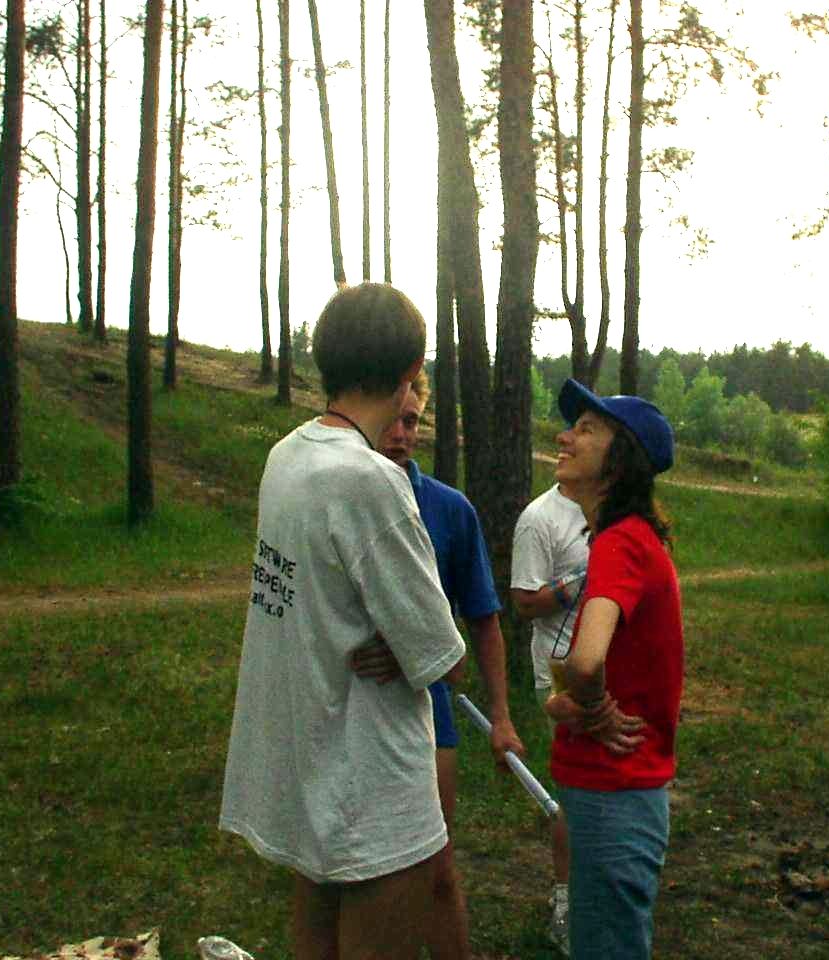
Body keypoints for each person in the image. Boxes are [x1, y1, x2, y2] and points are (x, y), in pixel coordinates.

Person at [219, 283, 468, 960]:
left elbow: (322, 597)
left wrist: (396, 636)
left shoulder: (287, 457)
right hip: (373, 786)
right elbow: (444, 660)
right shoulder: (372, 481)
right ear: (410, 371)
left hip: (313, 764)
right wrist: (412, 641)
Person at [349, 369, 524, 960]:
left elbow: (483, 621)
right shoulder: (338, 498)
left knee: (435, 871)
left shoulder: (449, 510)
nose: (400, 434)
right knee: (358, 875)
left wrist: (502, 717)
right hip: (347, 709)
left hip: (430, 715)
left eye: (412, 421)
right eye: (391, 420)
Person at [541, 378, 682, 960]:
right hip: (615, 792)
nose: (565, 437)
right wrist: (572, 703)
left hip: (613, 791)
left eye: (585, 429)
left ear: (620, 462)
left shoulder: (621, 543)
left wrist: (593, 705)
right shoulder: (628, 538)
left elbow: (586, 659)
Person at [510, 476, 588, 953]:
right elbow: (524, 602)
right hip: (558, 669)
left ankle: (601, 890)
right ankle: (566, 901)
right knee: (574, 788)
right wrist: (579, 582)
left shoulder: (613, 508)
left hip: (610, 664)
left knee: (606, 784)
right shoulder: (540, 518)